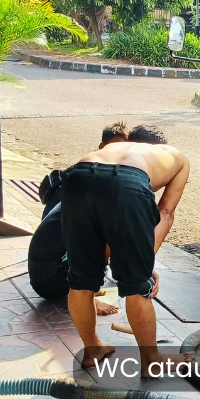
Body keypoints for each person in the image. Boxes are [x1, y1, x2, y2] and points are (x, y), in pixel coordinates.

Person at [62, 125, 193, 375]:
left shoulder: (114, 148)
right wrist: (144, 264)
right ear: (159, 145)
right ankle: (152, 361)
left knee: (80, 281)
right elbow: (164, 213)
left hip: (77, 178)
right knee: (136, 285)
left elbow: (106, 210)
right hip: (127, 184)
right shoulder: (177, 158)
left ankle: (92, 350)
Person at [28, 122, 129, 315]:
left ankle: (82, 288)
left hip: (47, 274)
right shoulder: (96, 184)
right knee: (100, 242)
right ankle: (83, 294)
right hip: (48, 282)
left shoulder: (87, 177)